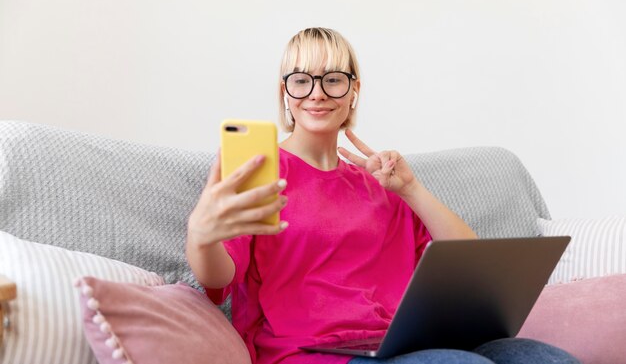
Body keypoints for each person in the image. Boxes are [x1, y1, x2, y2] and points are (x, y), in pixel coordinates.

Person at [186, 27, 580, 364]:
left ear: (353, 90)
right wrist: (201, 236)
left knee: (540, 357)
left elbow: (467, 265)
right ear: (285, 93)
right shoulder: (261, 169)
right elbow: (219, 277)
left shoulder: (380, 183)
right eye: (302, 80)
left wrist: (411, 190)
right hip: (308, 352)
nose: (317, 94)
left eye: (333, 79)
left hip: (392, 345)